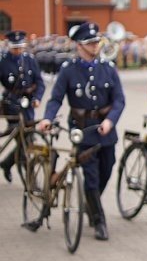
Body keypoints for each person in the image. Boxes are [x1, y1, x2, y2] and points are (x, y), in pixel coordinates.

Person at [38, 22, 125, 240]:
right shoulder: (69, 70)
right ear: (79, 45)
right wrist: (48, 118)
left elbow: (119, 100)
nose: (95, 46)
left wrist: (111, 121)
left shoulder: (108, 68)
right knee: (92, 176)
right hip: (83, 131)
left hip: (106, 131)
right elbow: (56, 98)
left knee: (107, 169)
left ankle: (90, 201)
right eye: (90, 43)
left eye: (96, 42)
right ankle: (99, 221)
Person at [0, 30, 45, 183]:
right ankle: (32, 182)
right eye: (15, 48)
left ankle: (6, 163)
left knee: (26, 140)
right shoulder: (3, 61)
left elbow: (39, 82)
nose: (18, 51)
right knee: (25, 143)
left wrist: (37, 98)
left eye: (20, 47)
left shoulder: (30, 60)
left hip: (28, 106)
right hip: (11, 106)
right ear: (9, 46)